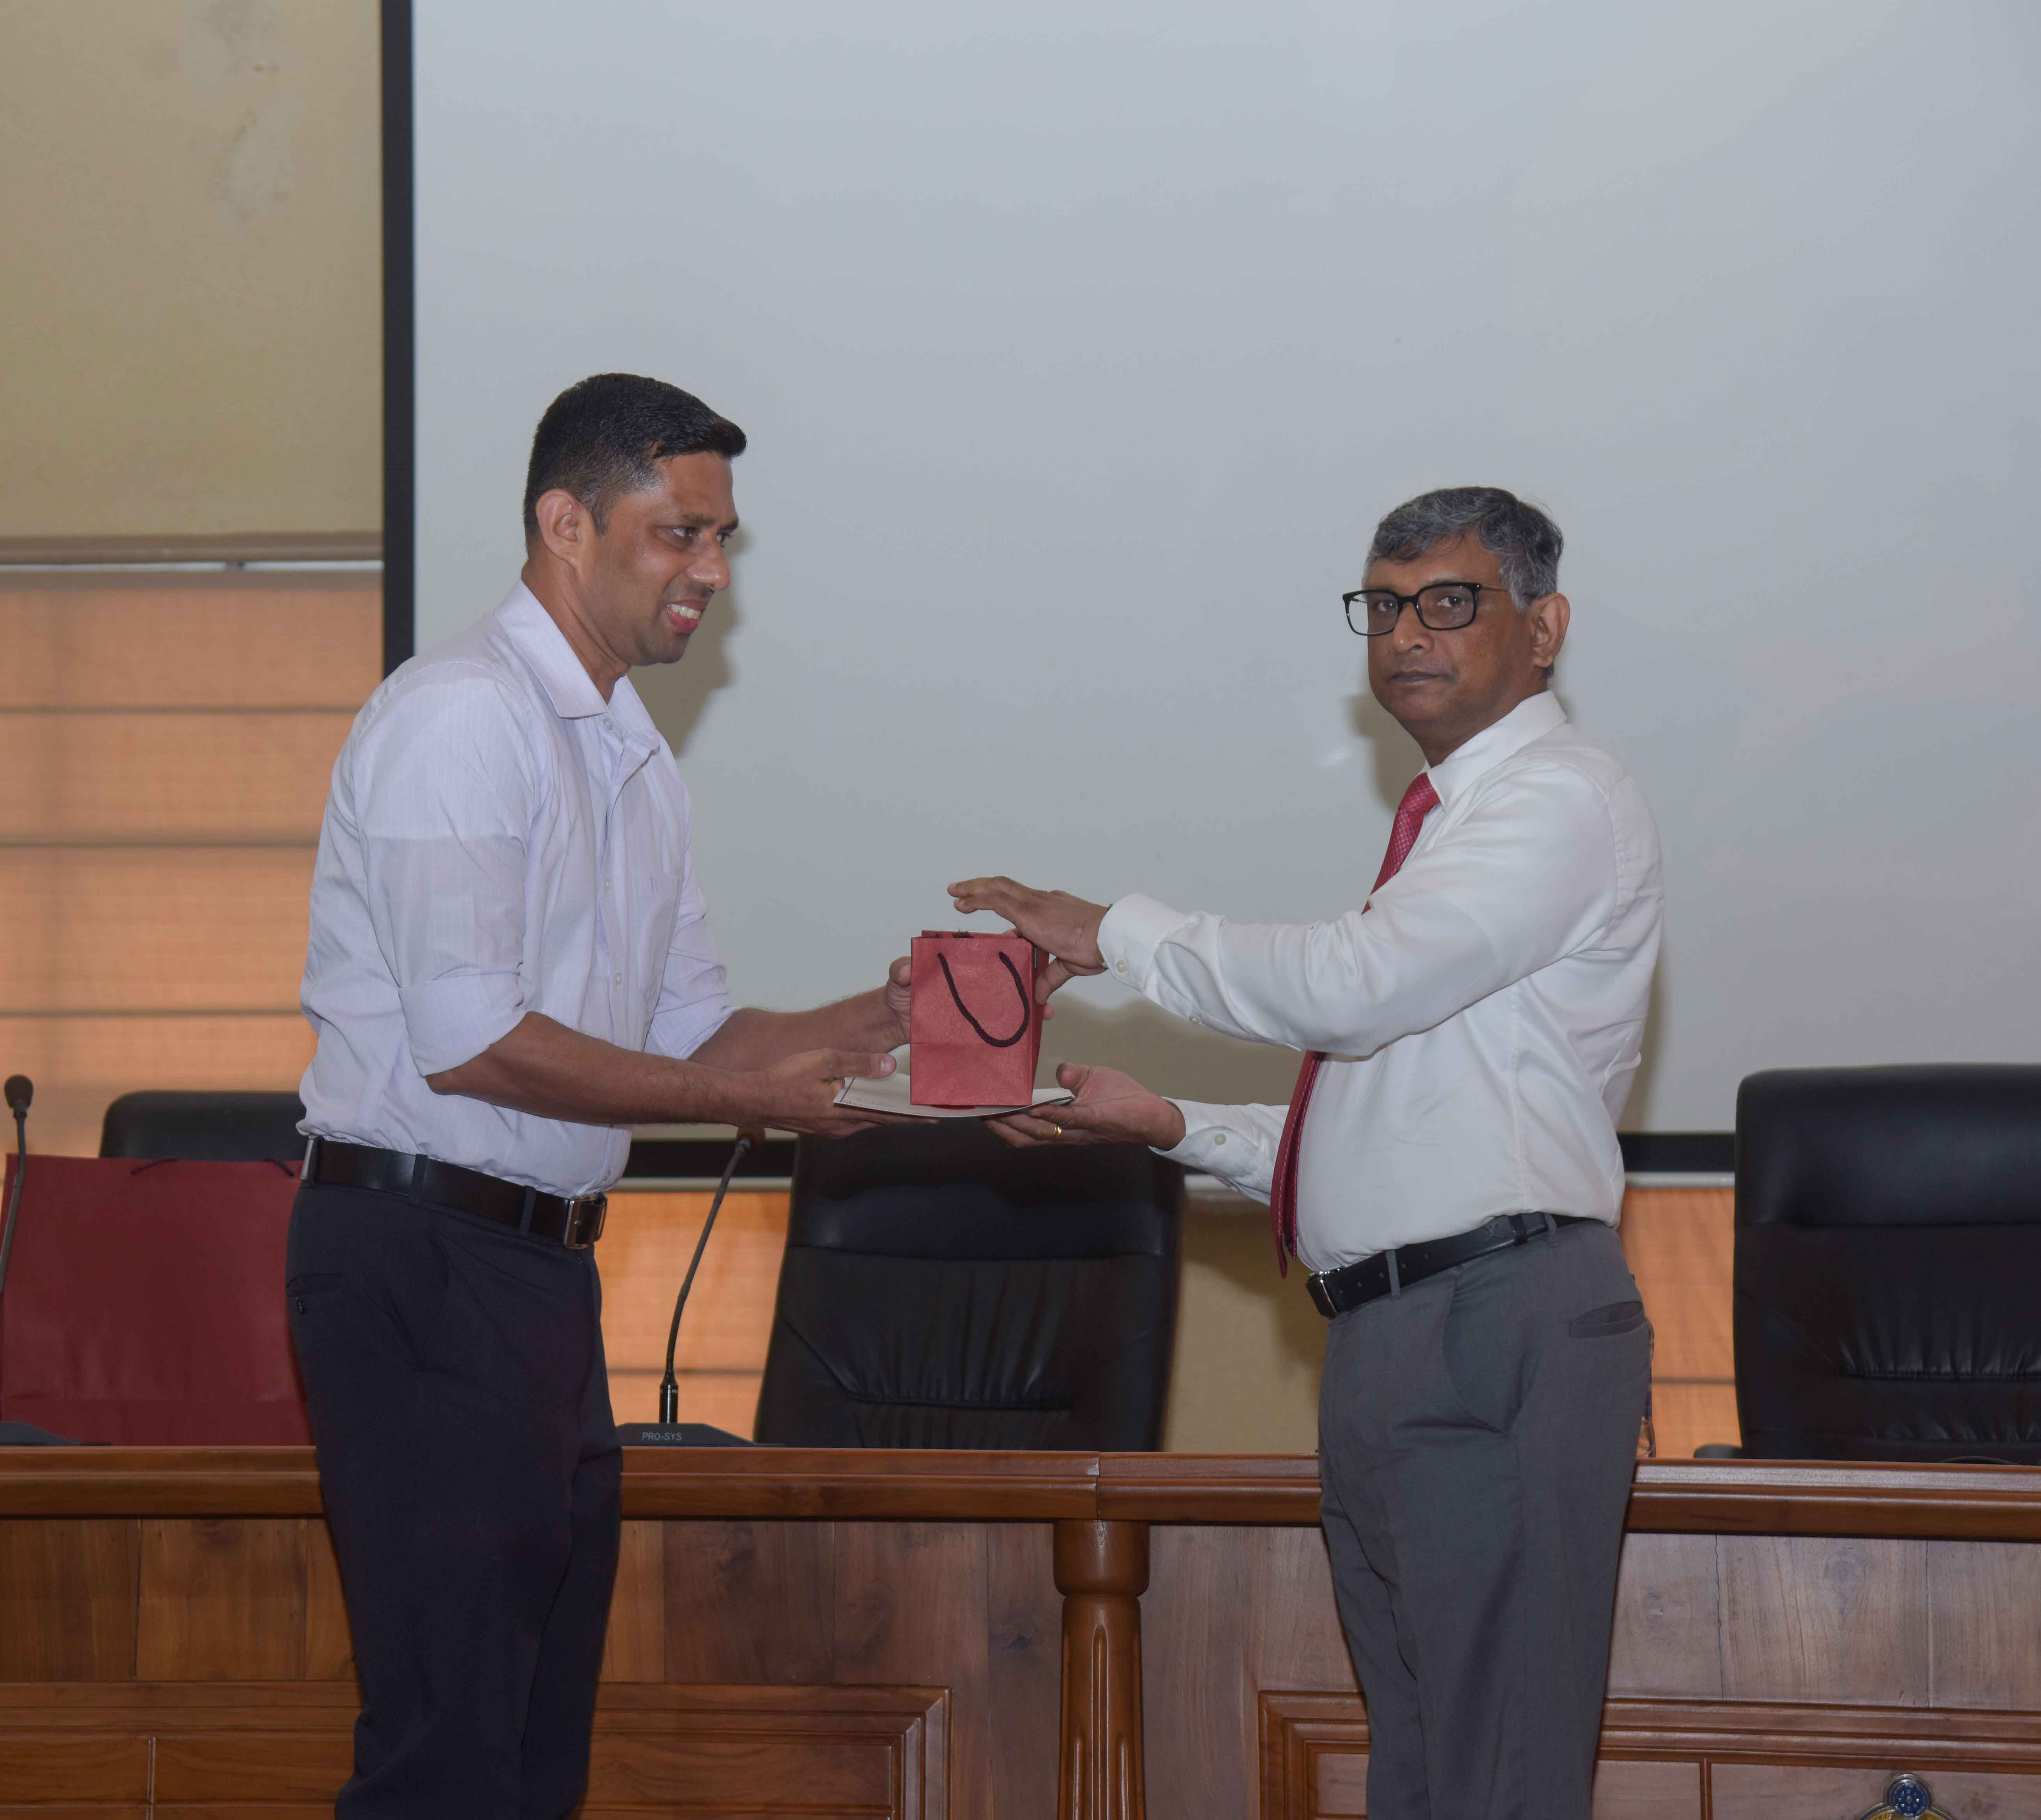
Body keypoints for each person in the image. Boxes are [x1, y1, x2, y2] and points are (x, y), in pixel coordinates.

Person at [951, 487, 1661, 1820]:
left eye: (1448, 602)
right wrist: (1171, 1127)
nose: (1406, 634)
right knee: (1425, 1772)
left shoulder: (1559, 799)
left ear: (1543, 626)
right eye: (1383, 607)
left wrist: (1119, 931)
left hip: (1493, 1319)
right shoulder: (1447, 832)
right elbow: (1394, 1120)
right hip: (1399, 1330)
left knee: (1497, 1776)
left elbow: (1350, 990)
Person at [288, 373, 912, 1818]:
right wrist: (747, 1099)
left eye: (722, 538)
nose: (711, 570)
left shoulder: (632, 752)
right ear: (565, 525)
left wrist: (884, 1021)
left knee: (534, 1746)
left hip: (538, 1273)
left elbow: (699, 1030)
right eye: (678, 532)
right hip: (422, 1253)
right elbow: (472, 1042)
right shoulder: (462, 717)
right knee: (449, 1747)